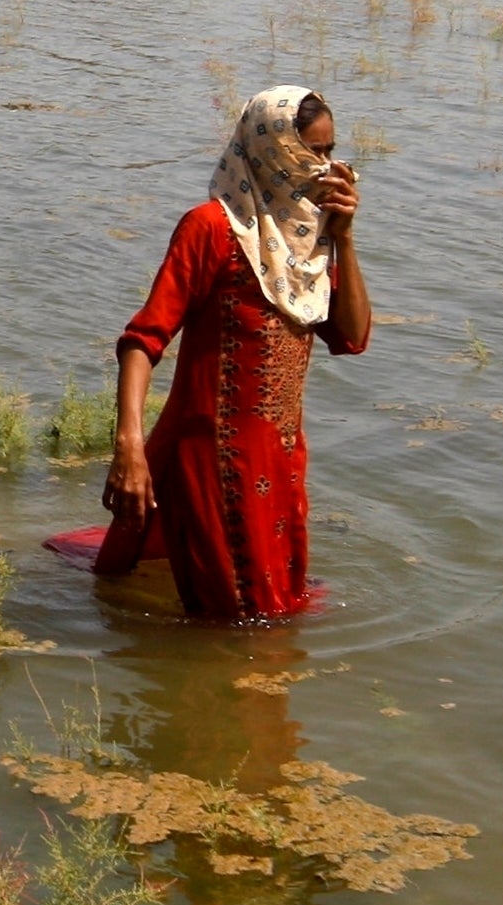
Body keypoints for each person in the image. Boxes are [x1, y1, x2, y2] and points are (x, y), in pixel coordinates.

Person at [90, 87, 371, 620]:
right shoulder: (213, 230)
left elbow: (351, 339)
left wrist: (346, 240)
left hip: (283, 462)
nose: (328, 168)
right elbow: (143, 340)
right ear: (274, 152)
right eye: (313, 153)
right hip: (214, 461)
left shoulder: (307, 241)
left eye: (332, 151)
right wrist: (128, 446)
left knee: (276, 612)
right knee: (241, 628)